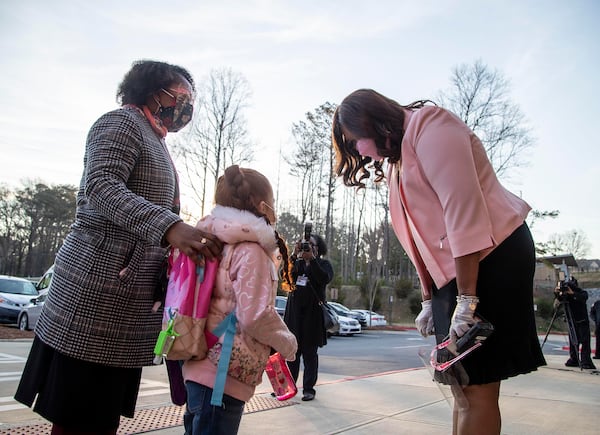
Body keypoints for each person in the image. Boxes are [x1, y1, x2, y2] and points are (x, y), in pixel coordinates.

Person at [15, 60, 224, 435]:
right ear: (150, 90)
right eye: (180, 96)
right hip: (96, 300)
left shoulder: (154, 136)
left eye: (191, 101)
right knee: (79, 417)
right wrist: (170, 227)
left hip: (121, 307)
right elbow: (101, 187)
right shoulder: (122, 122)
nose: (186, 108)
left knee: (98, 418)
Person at [332, 89, 546, 435]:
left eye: (357, 141)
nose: (360, 151)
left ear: (373, 123)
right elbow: (418, 238)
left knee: (477, 386)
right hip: (459, 273)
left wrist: (467, 299)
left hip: (491, 259)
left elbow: (463, 212)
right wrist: (429, 299)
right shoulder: (396, 162)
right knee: (460, 385)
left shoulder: (432, 128)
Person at [182, 165, 298, 435]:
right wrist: (288, 343)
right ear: (263, 206)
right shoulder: (251, 252)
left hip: (198, 363)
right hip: (223, 377)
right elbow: (255, 315)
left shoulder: (210, 242)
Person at [284, 232, 334, 401]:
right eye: (303, 244)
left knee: (310, 354)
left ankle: (308, 389)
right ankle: (288, 387)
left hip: (312, 316)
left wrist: (311, 260)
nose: (306, 247)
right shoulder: (295, 263)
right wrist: (293, 254)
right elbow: (285, 276)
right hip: (294, 315)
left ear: (317, 249)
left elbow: (324, 278)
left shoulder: (323, 264)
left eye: (310, 245)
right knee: (292, 353)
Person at [556, 277, 596, 369]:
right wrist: (557, 293)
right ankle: (574, 359)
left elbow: (583, 298)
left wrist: (572, 293)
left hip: (582, 321)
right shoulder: (567, 297)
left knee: (585, 342)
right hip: (572, 322)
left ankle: (585, 361)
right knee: (573, 341)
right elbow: (559, 302)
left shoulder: (582, 293)